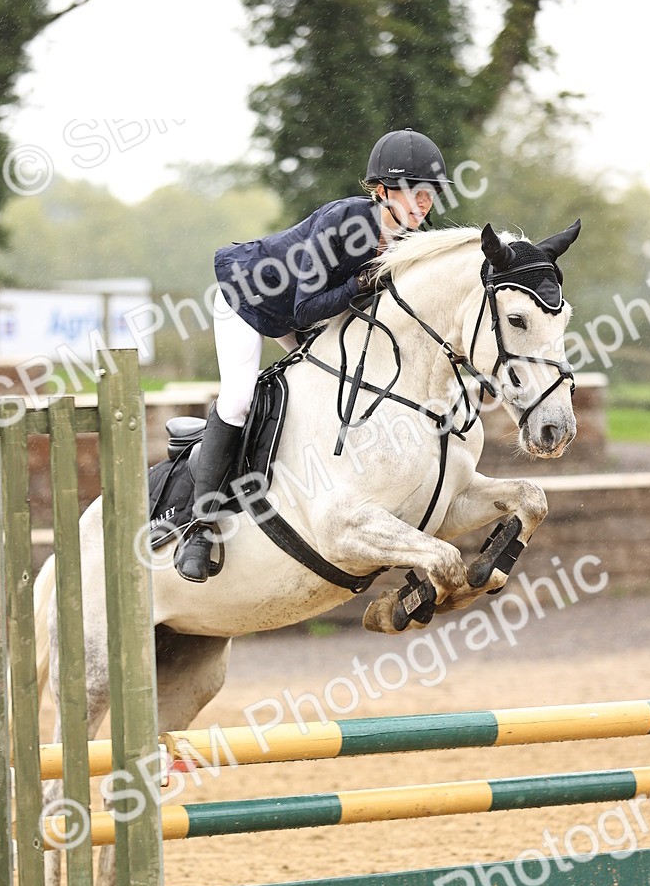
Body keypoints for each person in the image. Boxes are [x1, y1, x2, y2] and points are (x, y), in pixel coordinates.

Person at [175, 127, 450, 583]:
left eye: (429, 197)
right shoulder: (344, 222)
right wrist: (363, 282)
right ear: (381, 191)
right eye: (413, 195)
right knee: (240, 397)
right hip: (248, 295)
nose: (423, 206)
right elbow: (305, 308)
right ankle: (200, 527)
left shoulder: (408, 240)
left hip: (302, 309)